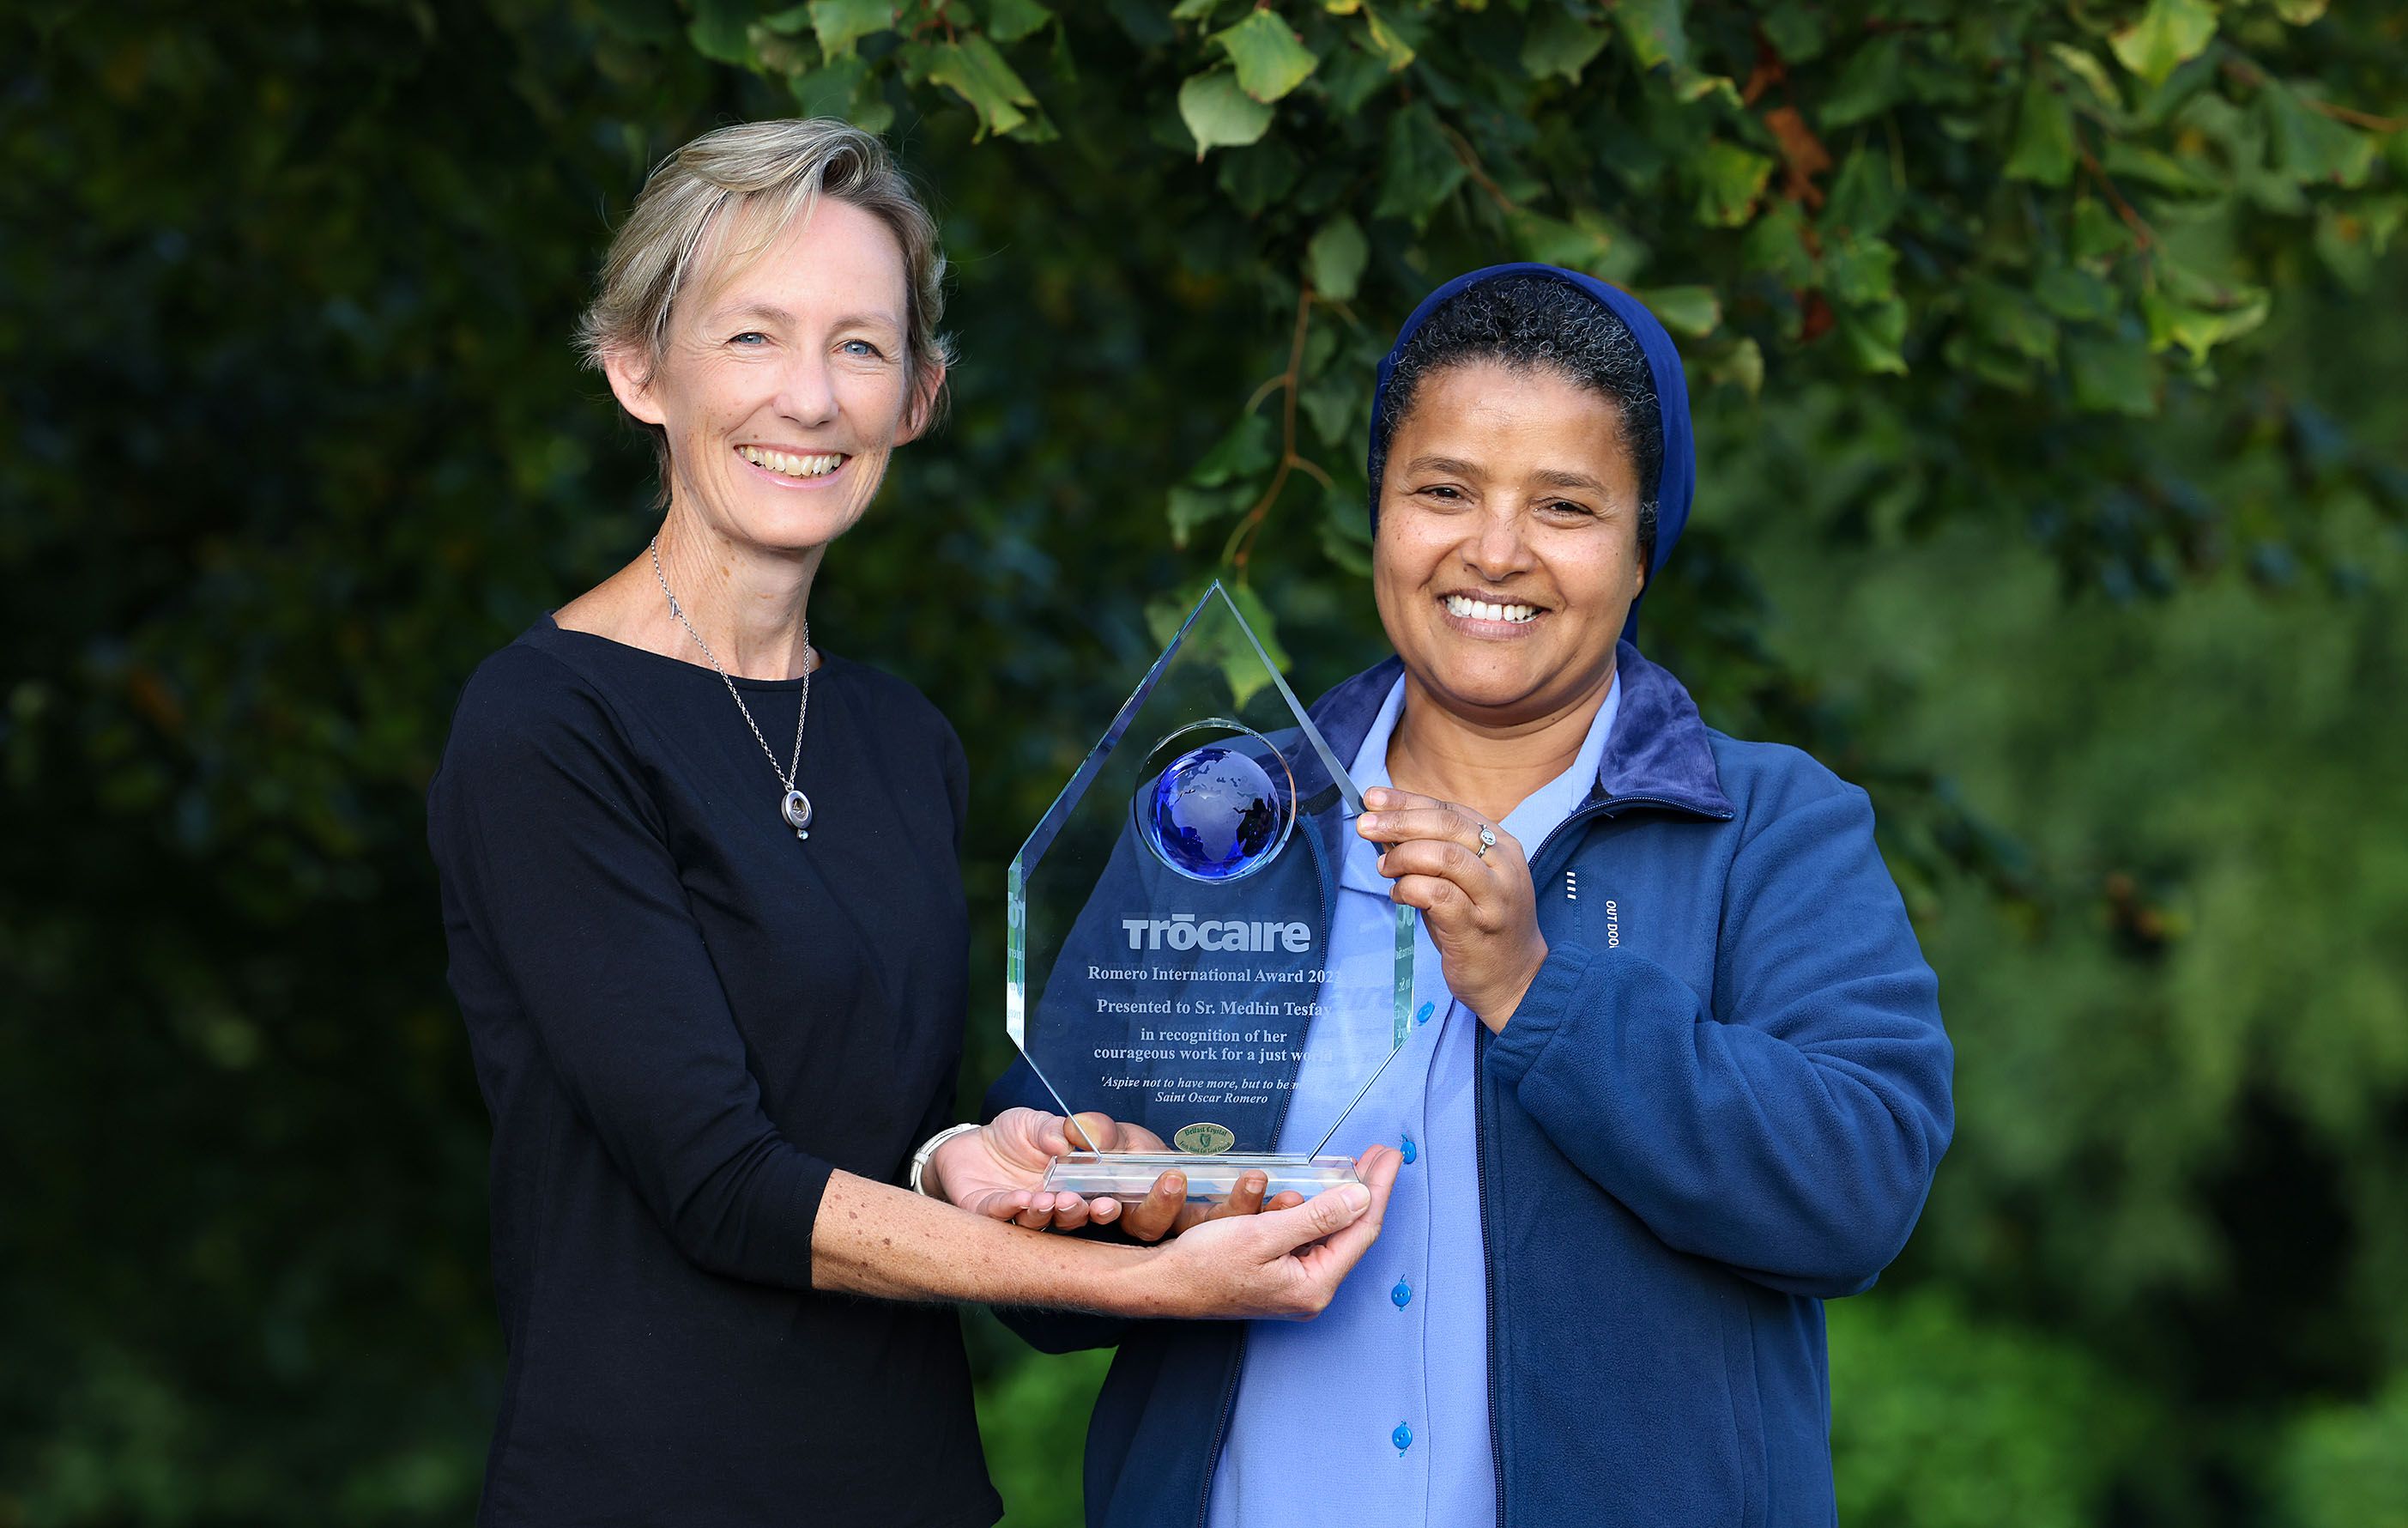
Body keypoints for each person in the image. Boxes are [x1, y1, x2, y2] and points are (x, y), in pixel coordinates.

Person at [424, 118, 1398, 1528]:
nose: (810, 400)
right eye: (753, 337)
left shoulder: (899, 737)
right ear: (640, 368)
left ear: (919, 396)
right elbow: (719, 1184)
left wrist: (970, 1159)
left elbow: (852, 1117)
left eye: (862, 348)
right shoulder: (545, 727)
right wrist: (1135, 1281)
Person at [977, 265, 1956, 1526]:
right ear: (1378, 512)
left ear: (1643, 547)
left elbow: (1854, 1191)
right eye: (1443, 490)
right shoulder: (1216, 816)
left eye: (1563, 505)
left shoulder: (1768, 827)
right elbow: (1034, 1255)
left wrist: (1536, 990)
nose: (1493, 550)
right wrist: (1082, 1195)